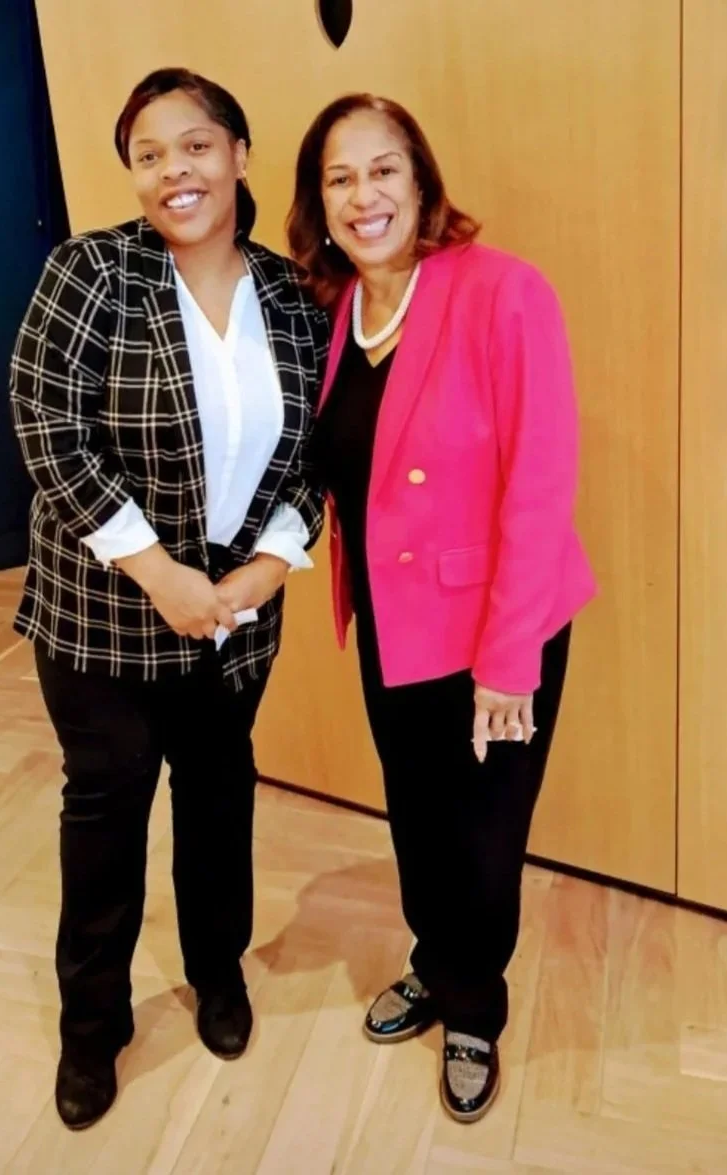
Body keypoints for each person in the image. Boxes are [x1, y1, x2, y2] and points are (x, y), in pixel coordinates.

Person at [10, 67, 328, 1130]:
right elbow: (48, 428)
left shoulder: (294, 296)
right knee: (104, 813)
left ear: (239, 154)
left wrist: (268, 566)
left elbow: (317, 456)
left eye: (195, 145)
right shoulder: (92, 271)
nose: (173, 170)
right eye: (149, 153)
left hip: (233, 619)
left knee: (218, 794)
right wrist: (160, 571)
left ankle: (218, 971)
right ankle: (91, 1024)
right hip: (102, 615)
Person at [287, 94, 596, 1123]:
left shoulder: (503, 291)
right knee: (417, 814)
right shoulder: (336, 312)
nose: (363, 194)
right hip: (390, 621)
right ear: (317, 200)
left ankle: (475, 1005)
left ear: (421, 182)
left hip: (496, 630)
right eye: (340, 177)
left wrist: (510, 659)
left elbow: (542, 482)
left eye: (383, 171)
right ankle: (435, 957)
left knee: (483, 832)